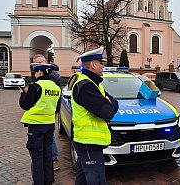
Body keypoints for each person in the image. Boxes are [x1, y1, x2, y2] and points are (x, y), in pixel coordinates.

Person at [71, 47, 118, 185]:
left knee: (83, 179)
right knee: (96, 180)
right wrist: (110, 104)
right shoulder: (86, 87)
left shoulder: (94, 85)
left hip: (88, 142)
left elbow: (114, 102)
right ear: (93, 65)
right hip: (89, 142)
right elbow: (108, 112)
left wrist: (111, 103)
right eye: (101, 62)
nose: (103, 66)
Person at [19, 63, 61, 185]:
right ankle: (49, 180)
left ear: (40, 72)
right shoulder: (55, 87)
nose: (34, 75)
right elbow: (56, 106)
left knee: (37, 155)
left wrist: (23, 94)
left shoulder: (36, 86)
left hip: (36, 125)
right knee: (47, 154)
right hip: (49, 124)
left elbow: (25, 104)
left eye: (35, 72)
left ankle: (38, 182)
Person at [31, 54, 61, 171]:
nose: (39, 64)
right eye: (36, 63)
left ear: (46, 61)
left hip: (49, 108)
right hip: (42, 109)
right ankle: (48, 158)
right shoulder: (38, 72)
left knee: (50, 135)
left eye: (41, 62)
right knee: (47, 135)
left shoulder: (51, 73)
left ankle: (53, 159)